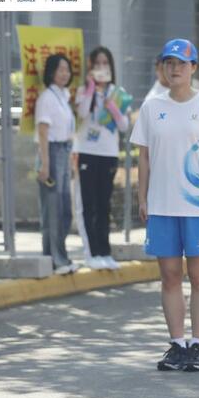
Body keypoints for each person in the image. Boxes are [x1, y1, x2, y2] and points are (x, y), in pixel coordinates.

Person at [130, 39, 199, 372]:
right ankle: (177, 343)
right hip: (161, 204)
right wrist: (142, 195)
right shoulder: (151, 107)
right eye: (169, 62)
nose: (175, 68)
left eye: (182, 63)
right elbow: (143, 156)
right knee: (170, 277)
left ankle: (197, 345)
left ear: (194, 68)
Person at [74, 46, 132, 271]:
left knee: (103, 204)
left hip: (108, 154)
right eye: (97, 64)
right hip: (87, 152)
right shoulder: (83, 91)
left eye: (105, 64)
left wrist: (113, 108)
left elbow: (124, 125)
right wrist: (91, 87)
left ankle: (105, 251)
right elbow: (81, 114)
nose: (101, 68)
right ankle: (92, 253)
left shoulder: (118, 92)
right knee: (88, 204)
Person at [35, 54, 79, 275]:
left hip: (63, 151)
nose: (65, 73)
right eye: (60, 69)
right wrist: (44, 164)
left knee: (63, 210)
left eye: (67, 69)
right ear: (51, 71)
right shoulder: (47, 97)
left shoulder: (63, 96)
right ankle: (56, 259)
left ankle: (57, 257)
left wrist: (70, 160)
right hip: (50, 152)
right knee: (52, 210)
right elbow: (43, 131)